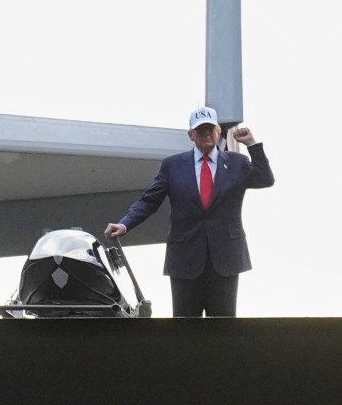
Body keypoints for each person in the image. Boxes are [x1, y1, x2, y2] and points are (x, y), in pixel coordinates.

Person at [104, 106, 274, 317]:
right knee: (184, 329)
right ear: (190, 135)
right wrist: (125, 223)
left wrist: (252, 144)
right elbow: (149, 200)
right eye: (200, 129)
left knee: (223, 330)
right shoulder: (172, 165)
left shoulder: (237, 163)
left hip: (225, 258)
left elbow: (265, 179)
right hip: (185, 257)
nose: (206, 134)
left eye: (210, 128)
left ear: (219, 131)